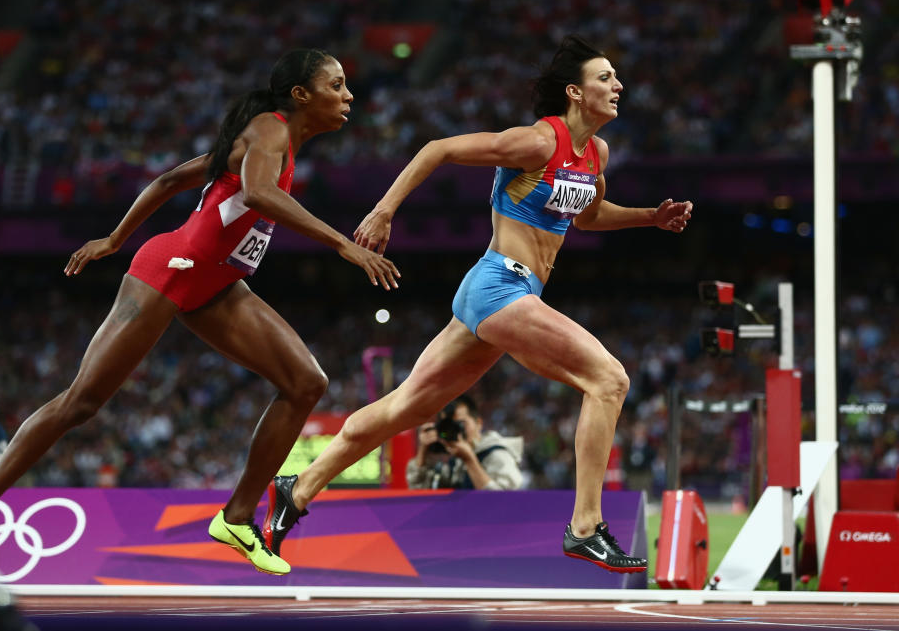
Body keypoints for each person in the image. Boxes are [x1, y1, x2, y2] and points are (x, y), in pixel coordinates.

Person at [0, 48, 400, 577]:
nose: (349, 96)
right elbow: (258, 194)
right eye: (338, 85)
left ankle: (235, 517)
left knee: (305, 382)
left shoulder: (276, 142)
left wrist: (114, 237)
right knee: (81, 403)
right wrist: (344, 246)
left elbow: (169, 182)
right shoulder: (270, 130)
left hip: (219, 283)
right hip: (170, 269)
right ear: (302, 95)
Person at [262, 35, 692, 574]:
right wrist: (384, 210)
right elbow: (437, 149)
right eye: (605, 77)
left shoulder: (596, 153)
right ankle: (585, 526)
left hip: (508, 295)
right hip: (498, 285)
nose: (618, 85)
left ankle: (298, 487)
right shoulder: (537, 142)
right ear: (575, 93)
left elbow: (587, 216)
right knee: (609, 380)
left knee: (408, 407)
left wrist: (650, 216)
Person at [407, 395, 523, 490]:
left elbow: (505, 503)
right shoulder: (457, 461)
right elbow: (421, 492)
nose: (456, 431)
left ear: (478, 423)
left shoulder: (497, 455)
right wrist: (423, 451)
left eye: (461, 424)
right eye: (449, 426)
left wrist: (470, 460)